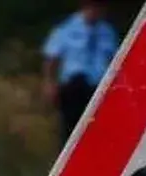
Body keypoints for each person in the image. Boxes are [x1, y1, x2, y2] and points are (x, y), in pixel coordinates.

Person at [41, 0, 119, 146]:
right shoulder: (66, 29)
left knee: (97, 131)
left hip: (98, 87)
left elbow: (115, 60)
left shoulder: (107, 32)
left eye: (98, 8)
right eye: (91, 7)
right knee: (70, 130)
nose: (94, 11)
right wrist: (50, 83)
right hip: (73, 86)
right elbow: (52, 58)